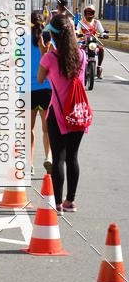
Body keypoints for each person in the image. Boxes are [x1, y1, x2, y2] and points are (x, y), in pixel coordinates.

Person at [37, 13, 88, 213]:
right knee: (73, 157)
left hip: (57, 114)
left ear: (54, 36)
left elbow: (40, 79)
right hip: (78, 113)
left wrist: (44, 52)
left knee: (58, 156)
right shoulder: (83, 55)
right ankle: (70, 201)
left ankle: (57, 203)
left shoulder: (50, 57)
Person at [30, 11, 52, 176]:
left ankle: (29, 164)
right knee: (47, 129)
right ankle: (49, 157)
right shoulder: (50, 41)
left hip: (28, 89)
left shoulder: (22, 40)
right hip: (47, 88)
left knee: (28, 129)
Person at [77, 4, 105, 78]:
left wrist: (103, 34)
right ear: (85, 13)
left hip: (93, 42)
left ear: (93, 13)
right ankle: (77, 68)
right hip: (83, 41)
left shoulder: (97, 22)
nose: (89, 14)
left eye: (90, 12)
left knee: (101, 49)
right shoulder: (81, 22)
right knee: (77, 51)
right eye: (87, 12)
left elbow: (102, 31)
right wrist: (77, 33)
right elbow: (77, 29)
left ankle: (99, 67)